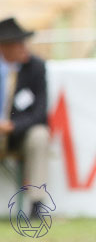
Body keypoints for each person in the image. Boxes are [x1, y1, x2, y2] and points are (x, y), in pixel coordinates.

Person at [0, 18, 49, 217]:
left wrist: (12, 126)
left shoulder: (35, 67)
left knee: (40, 135)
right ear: (3, 47)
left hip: (18, 133)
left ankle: (37, 203)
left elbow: (40, 112)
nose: (23, 48)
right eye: (17, 43)